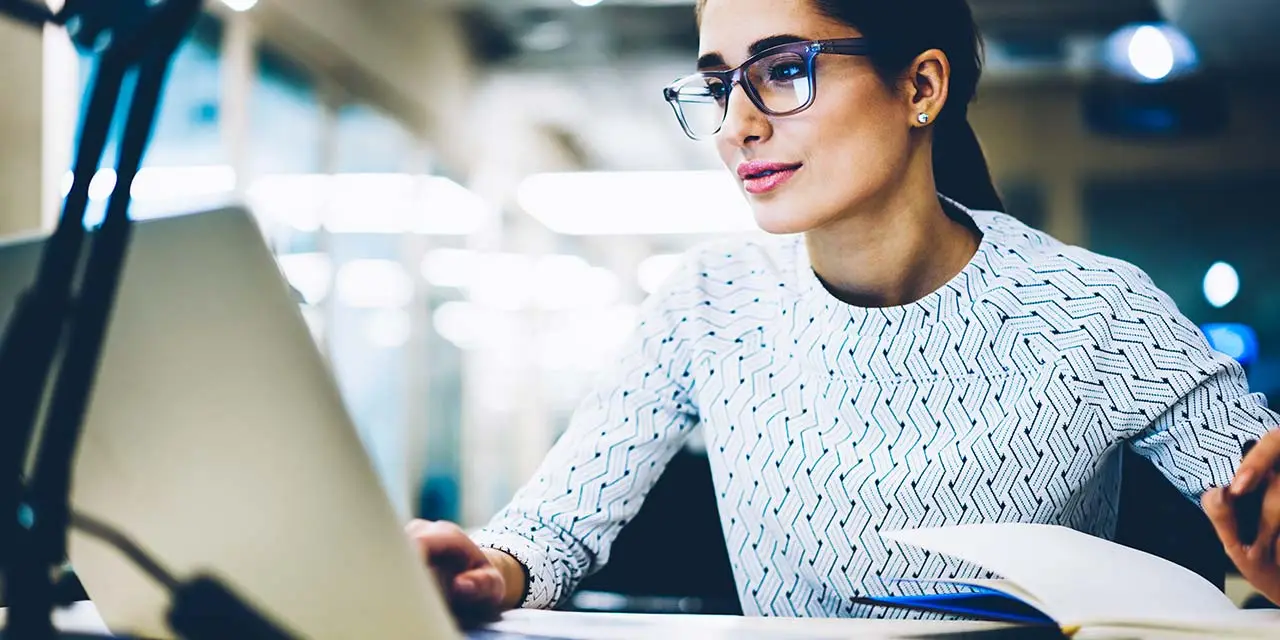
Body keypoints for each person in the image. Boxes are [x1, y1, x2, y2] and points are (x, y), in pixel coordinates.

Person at [407, 0, 1280, 618]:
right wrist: (493, 566)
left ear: (921, 88)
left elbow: (1263, 504)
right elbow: (555, 526)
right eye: (719, 85)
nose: (736, 126)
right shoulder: (709, 305)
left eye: (784, 71)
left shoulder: (1093, 310)